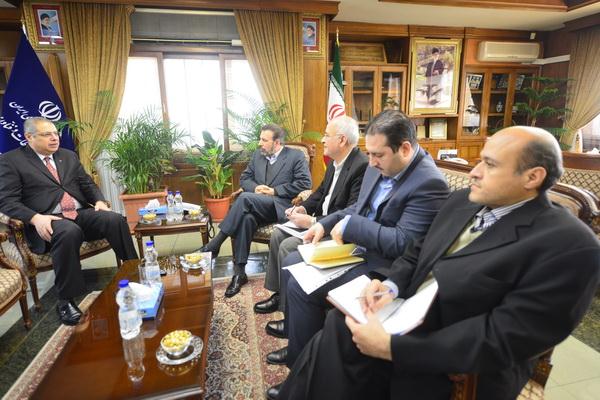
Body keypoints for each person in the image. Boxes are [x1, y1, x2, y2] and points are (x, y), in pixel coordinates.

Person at [276, 126, 600, 400]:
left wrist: (391, 348)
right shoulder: (461, 202)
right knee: (341, 324)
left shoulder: (569, 246)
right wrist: (391, 285)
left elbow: (502, 337)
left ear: (532, 176)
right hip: (409, 316)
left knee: (340, 341)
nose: (473, 172)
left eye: (489, 164)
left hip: (459, 362)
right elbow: (417, 252)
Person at [264, 110, 449, 379]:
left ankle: (303, 373)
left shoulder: (429, 183)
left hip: (385, 267)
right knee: (292, 261)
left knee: (301, 285)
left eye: (378, 155)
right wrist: (325, 224)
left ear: (405, 149)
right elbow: (356, 208)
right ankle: (302, 349)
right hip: (359, 249)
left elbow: (403, 243)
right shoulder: (377, 165)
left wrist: (352, 226)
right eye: (369, 153)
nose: (370, 162)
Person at [0, 117, 138, 326]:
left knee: (115, 219)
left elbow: (87, 184)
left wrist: (99, 201)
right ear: (29, 137)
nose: (54, 138)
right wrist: (35, 218)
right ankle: (65, 301)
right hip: (47, 220)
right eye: (47, 134)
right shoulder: (12, 161)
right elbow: (7, 201)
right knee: (68, 230)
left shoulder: (67, 155)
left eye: (55, 133)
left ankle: (135, 274)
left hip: (78, 213)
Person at [253, 116, 368, 315]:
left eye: (326, 135)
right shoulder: (335, 162)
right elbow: (319, 193)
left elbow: (351, 212)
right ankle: (279, 294)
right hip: (319, 222)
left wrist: (313, 221)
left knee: (288, 246)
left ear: (342, 140)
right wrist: (303, 209)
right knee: (278, 234)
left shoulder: (361, 166)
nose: (322, 140)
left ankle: (289, 311)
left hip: (335, 231)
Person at [200, 124, 312, 298]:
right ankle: (239, 274)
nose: (260, 143)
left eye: (264, 140)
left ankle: (215, 243)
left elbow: (305, 183)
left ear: (277, 143)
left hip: (280, 206)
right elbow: (245, 178)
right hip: (256, 204)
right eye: (260, 139)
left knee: (244, 199)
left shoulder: (295, 156)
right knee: (247, 219)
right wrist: (255, 188)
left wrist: (275, 191)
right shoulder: (258, 155)